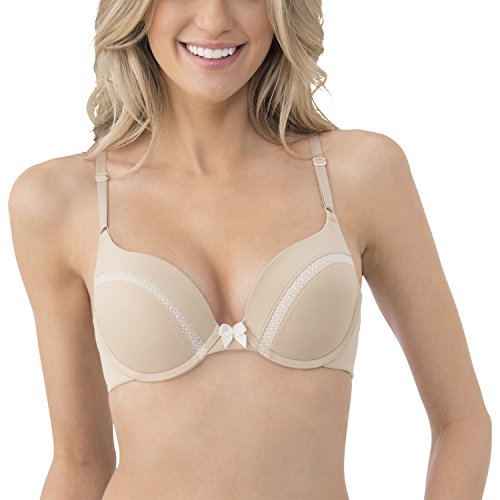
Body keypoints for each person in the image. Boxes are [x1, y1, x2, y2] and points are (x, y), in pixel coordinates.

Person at [8, 0, 491, 498]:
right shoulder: (59, 201)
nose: (214, 20)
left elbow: (462, 423)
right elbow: (80, 462)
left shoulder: (360, 174)